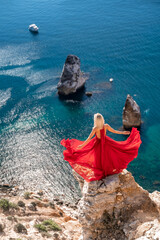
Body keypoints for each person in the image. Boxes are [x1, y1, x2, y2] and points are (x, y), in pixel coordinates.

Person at [60, 113, 142, 182]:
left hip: (97, 144)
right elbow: (115, 131)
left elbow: (89, 138)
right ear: (102, 119)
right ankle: (106, 171)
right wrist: (123, 132)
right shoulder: (106, 126)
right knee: (111, 154)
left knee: (97, 158)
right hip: (106, 143)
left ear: (95, 121)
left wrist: (82, 145)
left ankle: (101, 172)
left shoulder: (95, 128)